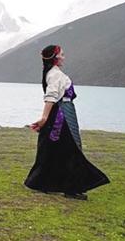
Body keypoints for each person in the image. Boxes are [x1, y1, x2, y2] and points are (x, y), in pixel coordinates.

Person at [24, 45, 109, 200]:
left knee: (54, 148)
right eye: (62, 55)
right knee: (71, 149)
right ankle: (71, 188)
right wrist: (44, 118)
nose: (64, 57)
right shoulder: (55, 74)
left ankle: (45, 183)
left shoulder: (53, 73)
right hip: (61, 114)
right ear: (55, 58)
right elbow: (51, 97)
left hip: (63, 111)